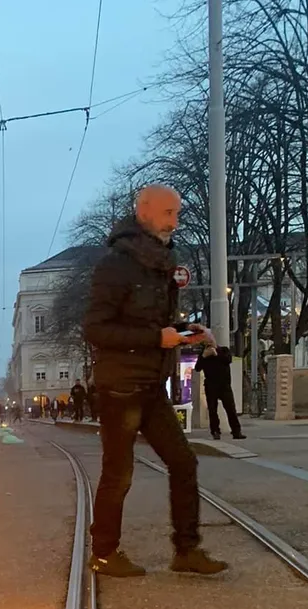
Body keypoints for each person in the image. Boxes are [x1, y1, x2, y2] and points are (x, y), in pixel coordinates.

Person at [83, 183, 227, 577]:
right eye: (169, 213)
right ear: (144, 211)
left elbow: (156, 324)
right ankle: (105, 553)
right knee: (120, 473)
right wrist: (156, 338)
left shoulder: (160, 262)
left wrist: (186, 331)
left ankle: (186, 551)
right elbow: (96, 329)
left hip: (150, 384)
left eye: (177, 214)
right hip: (120, 387)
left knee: (183, 461)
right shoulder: (115, 265)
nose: (174, 222)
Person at [196, 344, 246, 441]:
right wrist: (203, 357)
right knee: (212, 410)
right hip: (211, 385)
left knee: (230, 408)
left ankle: (236, 431)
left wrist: (216, 354)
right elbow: (197, 368)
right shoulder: (203, 353)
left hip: (224, 385)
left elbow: (228, 360)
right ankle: (215, 431)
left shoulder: (223, 350)